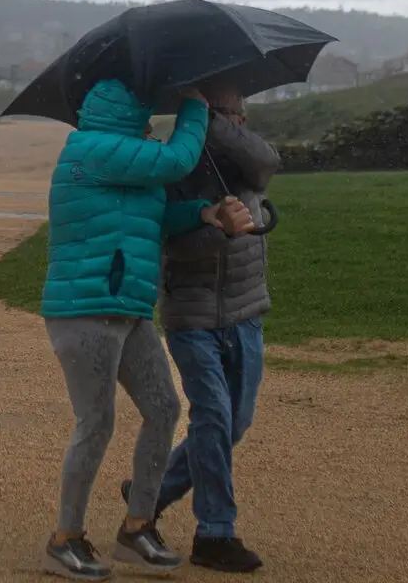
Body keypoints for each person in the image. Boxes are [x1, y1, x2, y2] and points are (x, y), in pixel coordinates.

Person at [40, 78, 255, 582]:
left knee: (164, 408)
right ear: (122, 116)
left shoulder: (119, 157)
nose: (147, 126)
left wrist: (204, 212)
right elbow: (176, 162)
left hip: (125, 308)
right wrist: (195, 108)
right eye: (142, 117)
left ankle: (137, 525)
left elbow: (155, 212)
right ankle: (64, 539)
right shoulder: (92, 148)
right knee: (96, 422)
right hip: (84, 309)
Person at [120, 81, 280, 573]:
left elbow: (266, 162)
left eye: (235, 115)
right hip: (190, 315)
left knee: (236, 421)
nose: (241, 123)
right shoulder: (173, 168)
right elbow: (172, 247)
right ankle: (215, 532)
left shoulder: (244, 164)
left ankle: (151, 491)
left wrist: (212, 121)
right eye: (233, 113)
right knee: (211, 414)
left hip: (245, 311)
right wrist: (215, 226)